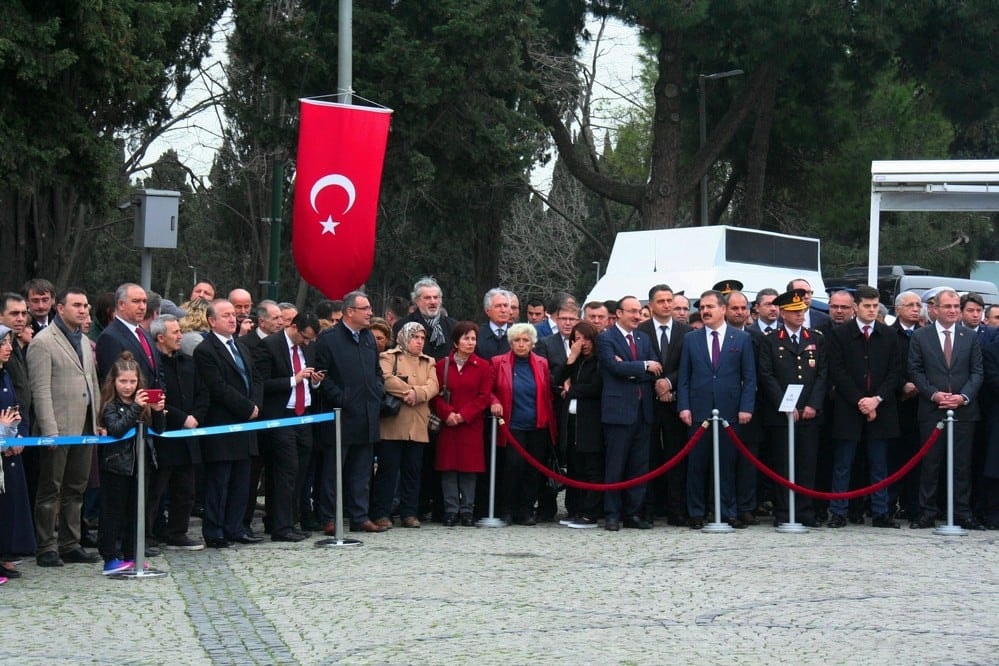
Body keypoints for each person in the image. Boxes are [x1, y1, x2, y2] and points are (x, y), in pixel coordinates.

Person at [27, 287, 103, 567]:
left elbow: (92, 382)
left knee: (77, 487)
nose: (83, 310)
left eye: (85, 305)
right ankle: (46, 544)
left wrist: (96, 420)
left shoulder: (82, 340)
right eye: (77, 305)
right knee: (50, 489)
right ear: (60, 308)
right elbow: (40, 391)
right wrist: (50, 432)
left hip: (83, 426)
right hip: (57, 428)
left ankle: (70, 542)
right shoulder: (43, 342)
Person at [677, 290, 756, 529]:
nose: (705, 311)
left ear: (723, 309)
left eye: (710, 306)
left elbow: (749, 377)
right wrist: (684, 406)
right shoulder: (692, 339)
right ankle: (697, 512)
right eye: (702, 307)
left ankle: (727, 511)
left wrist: (746, 407)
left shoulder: (740, 339)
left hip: (729, 411)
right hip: (698, 411)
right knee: (697, 464)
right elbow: (684, 377)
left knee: (727, 465)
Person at [826, 285, 903, 528]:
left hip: (881, 408)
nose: (872, 310)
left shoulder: (889, 335)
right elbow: (837, 371)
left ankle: (880, 511)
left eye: (875, 306)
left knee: (879, 463)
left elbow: (895, 372)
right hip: (850, 407)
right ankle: (839, 511)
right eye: (867, 306)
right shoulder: (840, 335)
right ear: (856, 307)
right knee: (843, 463)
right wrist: (861, 400)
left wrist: (876, 400)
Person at [909, 287, 984, 530]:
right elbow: (915, 370)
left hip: (964, 411)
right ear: (935, 309)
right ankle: (927, 511)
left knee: (962, 464)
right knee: (930, 463)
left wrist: (963, 397)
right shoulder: (921, 336)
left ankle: (962, 511)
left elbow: (977, 372)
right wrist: (934, 394)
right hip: (932, 409)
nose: (952, 311)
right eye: (947, 307)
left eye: (955, 307)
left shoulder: (970, 336)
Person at [313, 291, 386, 534]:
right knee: (334, 472)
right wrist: (341, 398)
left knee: (362, 472)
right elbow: (321, 376)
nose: (370, 312)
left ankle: (359, 516)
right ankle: (329, 518)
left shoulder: (367, 338)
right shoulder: (329, 338)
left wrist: (376, 391)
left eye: (370, 307)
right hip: (341, 417)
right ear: (349, 312)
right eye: (365, 308)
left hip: (367, 414)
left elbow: (376, 371)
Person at [193, 299, 263, 548]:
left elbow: (255, 379)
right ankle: (214, 531)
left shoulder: (242, 347)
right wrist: (247, 408)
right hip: (223, 424)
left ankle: (235, 528)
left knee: (242, 481)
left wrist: (256, 405)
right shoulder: (205, 350)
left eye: (234, 315)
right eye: (226, 315)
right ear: (212, 321)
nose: (233, 319)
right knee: (219, 482)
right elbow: (217, 387)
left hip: (246, 426)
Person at [757, 289, 827, 527]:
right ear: (783, 313)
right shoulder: (770, 340)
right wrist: (786, 405)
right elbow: (766, 375)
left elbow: (822, 375)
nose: (800, 315)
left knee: (807, 464)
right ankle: (784, 511)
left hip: (809, 413)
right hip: (782, 414)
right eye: (795, 311)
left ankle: (805, 512)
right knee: (783, 464)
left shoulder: (815, 338)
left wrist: (813, 405)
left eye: (802, 311)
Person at [252, 312, 321, 542]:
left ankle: (290, 521)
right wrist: (294, 379)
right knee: (285, 472)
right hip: (281, 417)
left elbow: (307, 375)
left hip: (305, 416)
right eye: (305, 337)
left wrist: (314, 379)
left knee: (300, 472)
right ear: (293, 327)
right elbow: (261, 383)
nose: (307, 342)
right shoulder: (270, 346)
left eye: (311, 339)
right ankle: (280, 526)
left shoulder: (308, 347)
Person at [597, 296, 663, 531]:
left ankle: (632, 513)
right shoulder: (606, 338)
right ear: (619, 313)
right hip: (618, 412)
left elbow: (655, 369)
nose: (637, 316)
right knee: (615, 466)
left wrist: (633, 368)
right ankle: (612, 514)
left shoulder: (643, 338)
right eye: (632, 311)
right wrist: (642, 366)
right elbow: (613, 368)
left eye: (639, 311)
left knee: (639, 466)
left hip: (643, 411)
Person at [98, 352, 166, 574]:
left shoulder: (143, 404)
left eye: (132, 381)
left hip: (141, 465)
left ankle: (131, 554)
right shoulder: (110, 405)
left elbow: (159, 429)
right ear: (114, 382)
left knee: (136, 513)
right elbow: (117, 429)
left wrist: (157, 412)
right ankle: (110, 557)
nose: (128, 386)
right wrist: (136, 407)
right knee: (113, 512)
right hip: (117, 466)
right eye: (123, 381)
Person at [147, 314, 206, 550]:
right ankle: (147, 535)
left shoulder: (188, 361)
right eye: (176, 332)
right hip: (165, 436)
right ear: (161, 337)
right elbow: (156, 398)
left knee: (186, 490)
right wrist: (182, 418)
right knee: (155, 492)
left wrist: (196, 417)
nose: (181, 336)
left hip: (188, 437)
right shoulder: (153, 364)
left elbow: (203, 392)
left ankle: (178, 532)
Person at [371, 323, 439, 528]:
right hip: (393, 424)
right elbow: (385, 379)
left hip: (417, 424)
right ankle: (381, 512)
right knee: (387, 471)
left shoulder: (429, 361)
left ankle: (409, 512)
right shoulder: (389, 357)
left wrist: (417, 394)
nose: (419, 341)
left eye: (422, 338)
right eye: (415, 337)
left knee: (412, 471)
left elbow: (434, 385)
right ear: (405, 338)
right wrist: (409, 391)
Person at [490, 324, 558, 526]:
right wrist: (494, 401)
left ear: (532, 343)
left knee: (533, 470)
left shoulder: (541, 363)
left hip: (537, 423)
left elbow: (546, 392)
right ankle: (507, 510)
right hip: (512, 424)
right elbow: (489, 389)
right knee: (513, 467)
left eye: (525, 340)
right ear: (510, 343)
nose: (521, 344)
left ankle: (526, 510)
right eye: (517, 340)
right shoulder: (498, 362)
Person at [638, 284, 692, 526]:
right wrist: (656, 385)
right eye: (661, 301)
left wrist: (669, 383)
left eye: (670, 300)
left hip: (675, 402)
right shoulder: (640, 331)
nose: (668, 305)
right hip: (647, 403)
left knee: (676, 457)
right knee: (647, 457)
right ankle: (647, 509)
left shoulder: (687, 332)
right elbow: (636, 363)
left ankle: (676, 509)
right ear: (650, 306)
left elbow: (689, 366)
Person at [433, 322, 495, 526]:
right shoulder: (442, 365)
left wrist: (463, 415)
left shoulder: (483, 366)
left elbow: (484, 397)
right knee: (448, 468)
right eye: (466, 338)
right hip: (448, 425)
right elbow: (436, 395)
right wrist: (448, 414)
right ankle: (451, 510)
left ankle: (467, 510)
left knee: (469, 470)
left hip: (470, 425)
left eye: (473, 339)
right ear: (455, 341)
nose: (470, 343)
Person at [556, 322, 604, 528]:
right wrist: (571, 358)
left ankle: (590, 512)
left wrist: (573, 389)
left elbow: (595, 387)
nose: (582, 344)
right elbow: (556, 379)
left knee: (592, 467)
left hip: (591, 421)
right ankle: (574, 509)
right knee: (574, 467)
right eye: (577, 339)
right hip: (572, 421)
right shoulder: (575, 361)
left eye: (586, 339)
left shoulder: (600, 361)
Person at [0, 325, 35, 580]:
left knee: (11, 505)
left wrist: (18, 435)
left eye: (10, 342)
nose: (9, 348)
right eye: (4, 343)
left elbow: (16, 406)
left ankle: (7, 553)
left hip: (10, 451)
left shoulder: (6, 375)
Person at [96, 283, 158, 386]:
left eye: (144, 301)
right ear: (121, 304)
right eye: (136, 301)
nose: (142, 307)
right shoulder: (109, 337)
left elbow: (157, 373)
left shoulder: (144, 334)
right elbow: (113, 382)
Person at [393, 277, 457, 361]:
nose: (433, 302)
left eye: (436, 297)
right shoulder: (403, 326)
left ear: (440, 300)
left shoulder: (453, 326)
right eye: (427, 298)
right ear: (417, 301)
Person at [476, 288, 513, 359]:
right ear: (487, 311)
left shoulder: (517, 335)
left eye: (505, 305)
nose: (503, 310)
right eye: (498, 306)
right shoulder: (478, 335)